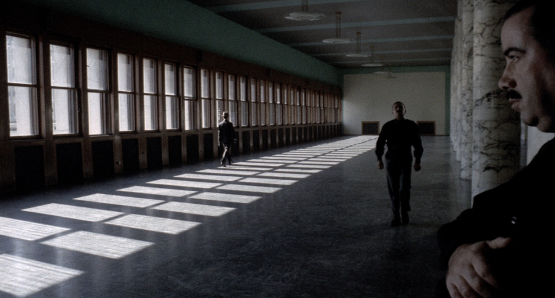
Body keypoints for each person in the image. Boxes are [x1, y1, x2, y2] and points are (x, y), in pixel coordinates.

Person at [437, 1, 555, 297]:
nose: (503, 81)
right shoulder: (553, 158)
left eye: (515, 57)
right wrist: (459, 253)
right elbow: (475, 217)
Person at [376, 101, 423, 226]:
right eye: (396, 107)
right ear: (392, 111)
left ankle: (404, 211)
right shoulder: (388, 126)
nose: (398, 109)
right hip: (391, 159)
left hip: (406, 159)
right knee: (393, 189)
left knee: (405, 187)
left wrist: (417, 161)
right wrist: (379, 159)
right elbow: (380, 142)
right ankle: (396, 216)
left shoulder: (411, 125)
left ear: (405, 110)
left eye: (401, 107)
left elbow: (418, 144)